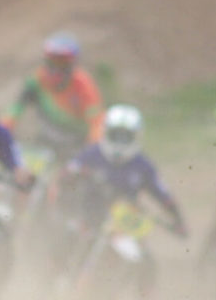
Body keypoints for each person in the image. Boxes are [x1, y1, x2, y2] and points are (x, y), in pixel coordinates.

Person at [51, 104, 185, 255]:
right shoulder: (91, 154)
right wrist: (77, 175)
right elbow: (66, 174)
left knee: (143, 258)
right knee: (64, 241)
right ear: (106, 132)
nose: (120, 142)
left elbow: (164, 196)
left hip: (122, 223)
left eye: (126, 136)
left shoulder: (143, 165)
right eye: (116, 135)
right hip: (88, 216)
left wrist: (178, 220)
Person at [8, 31, 104, 159]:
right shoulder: (37, 80)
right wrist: (4, 132)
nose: (56, 69)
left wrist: (91, 150)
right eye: (52, 63)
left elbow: (97, 121)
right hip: (46, 141)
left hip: (76, 145)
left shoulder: (83, 85)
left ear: (72, 65)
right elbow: (15, 109)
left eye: (63, 64)